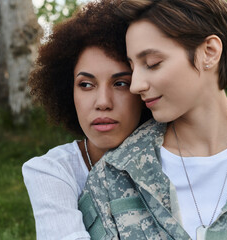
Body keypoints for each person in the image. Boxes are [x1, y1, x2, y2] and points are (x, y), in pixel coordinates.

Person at [79, 0, 227, 239]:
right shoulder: (114, 177)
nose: (136, 85)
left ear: (209, 52)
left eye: (152, 64)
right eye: (132, 67)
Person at [22, 1, 151, 239]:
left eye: (120, 83)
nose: (102, 102)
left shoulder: (175, 152)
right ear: (67, 90)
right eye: (86, 85)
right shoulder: (53, 171)